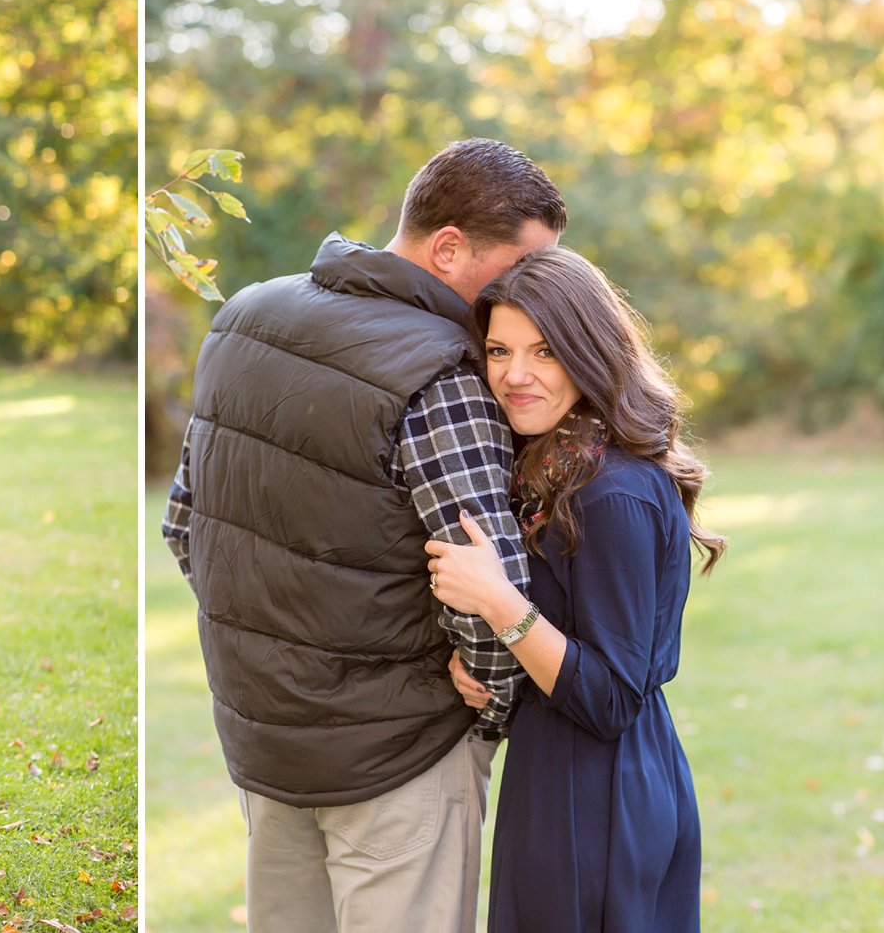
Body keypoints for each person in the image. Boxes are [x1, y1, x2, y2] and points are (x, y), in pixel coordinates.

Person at [161, 138, 567, 932]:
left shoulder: (244, 315)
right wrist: (486, 711)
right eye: (521, 269)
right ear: (448, 247)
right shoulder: (446, 368)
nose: (532, 295)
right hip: (403, 759)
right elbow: (491, 588)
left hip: (264, 745)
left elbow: (185, 528)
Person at [425, 246, 726, 932]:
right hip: (559, 776)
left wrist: (498, 601)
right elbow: (561, 633)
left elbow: (612, 695)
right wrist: (486, 657)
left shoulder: (611, 492)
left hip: (601, 800)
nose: (515, 375)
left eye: (545, 351)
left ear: (589, 352)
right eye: (499, 351)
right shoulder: (554, 471)